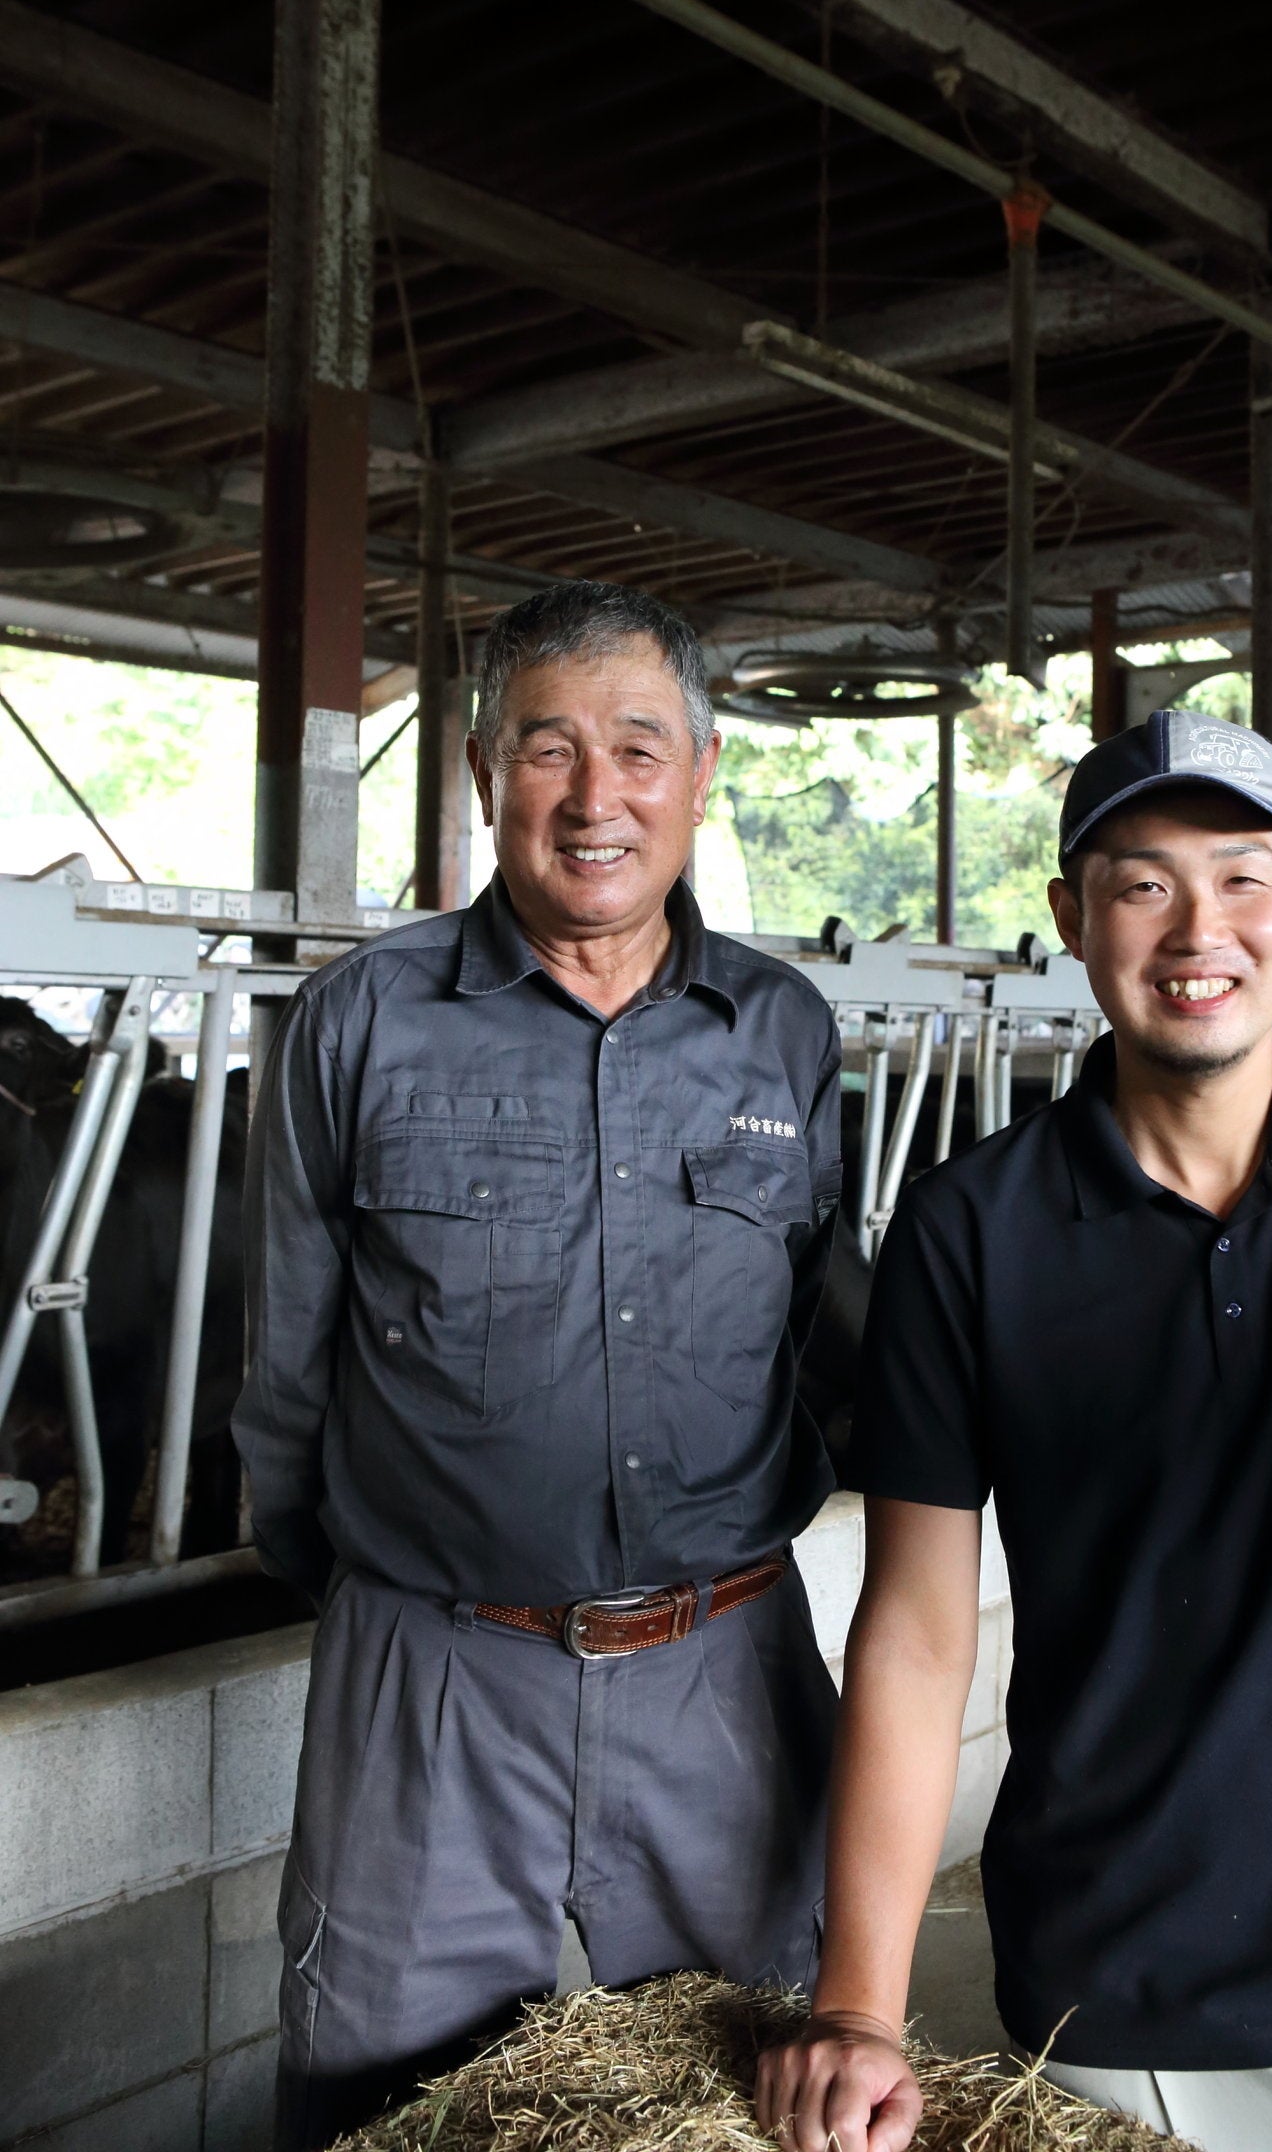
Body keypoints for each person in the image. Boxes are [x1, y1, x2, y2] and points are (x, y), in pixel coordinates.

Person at [758, 709, 1272, 2152]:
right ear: (1072, 919)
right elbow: (912, 1635)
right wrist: (858, 2012)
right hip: (1135, 2027)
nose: (1197, 928)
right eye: (1143, 884)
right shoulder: (974, 1228)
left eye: (1241, 878)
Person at [235, 581, 843, 2151]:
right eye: (548, 748)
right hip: (433, 1669)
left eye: (640, 748)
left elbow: (829, 1339)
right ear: (482, 771)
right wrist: (410, 1608)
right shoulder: (357, 1023)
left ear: (700, 775)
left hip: (729, 1671)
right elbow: (285, 1380)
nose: (597, 796)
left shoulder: (783, 1031)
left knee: (761, 2083)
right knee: (388, 2102)